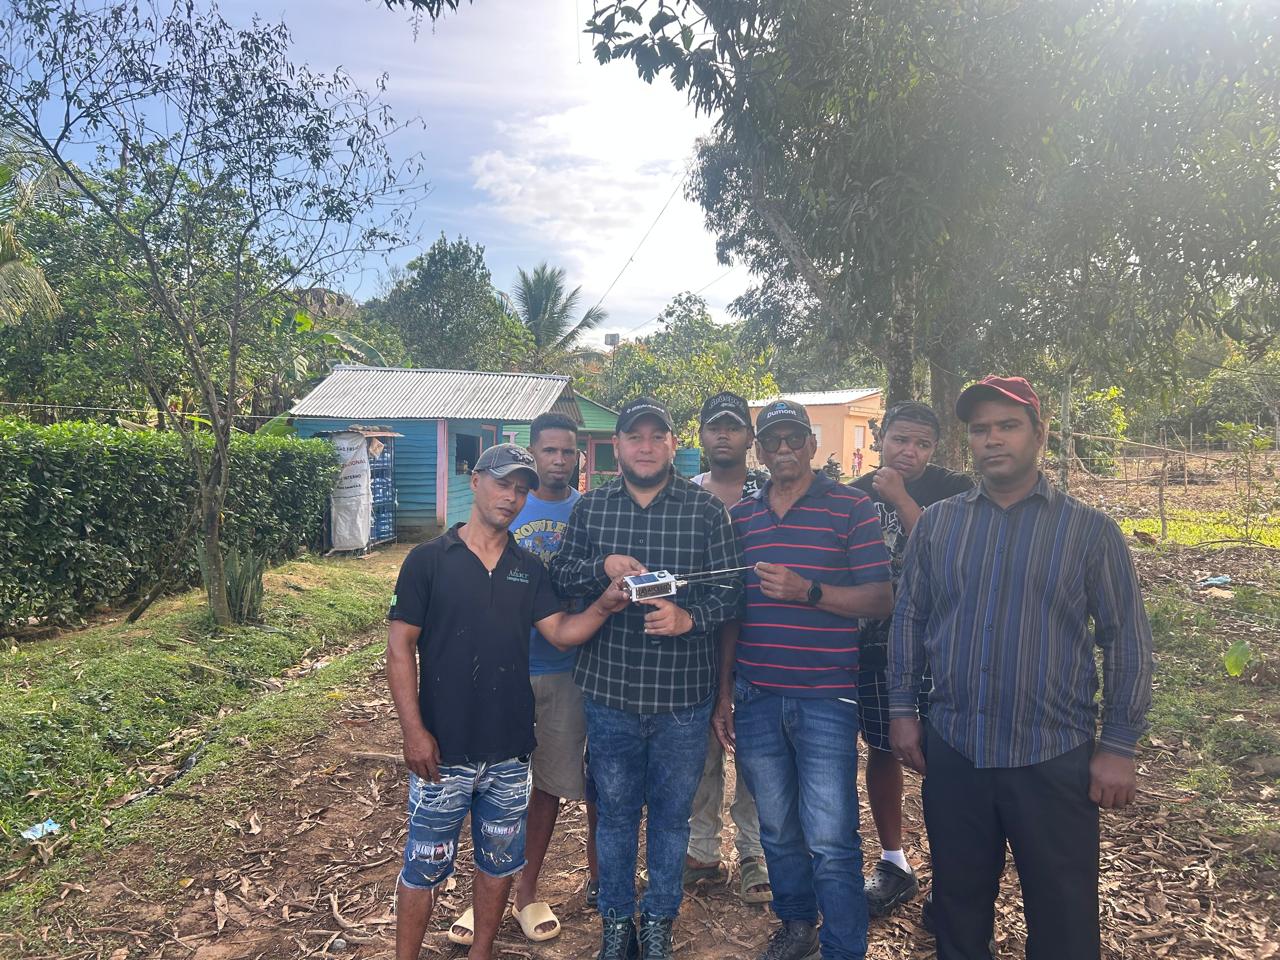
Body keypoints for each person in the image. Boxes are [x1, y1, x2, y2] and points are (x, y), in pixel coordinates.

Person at [889, 376, 1154, 960]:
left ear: (1040, 433)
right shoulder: (940, 525)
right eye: (980, 429)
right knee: (958, 906)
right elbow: (909, 620)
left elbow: (1126, 638)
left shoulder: (1089, 532)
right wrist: (904, 711)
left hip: (1052, 753)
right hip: (957, 747)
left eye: (1007, 426)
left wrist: (1118, 744)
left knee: (1063, 914)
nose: (992, 440)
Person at [386, 443, 630, 960]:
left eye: (522, 488)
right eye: (502, 483)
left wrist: (607, 604)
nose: (512, 497)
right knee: (424, 864)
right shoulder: (429, 560)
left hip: (509, 753)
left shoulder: (526, 567)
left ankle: (482, 952)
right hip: (443, 751)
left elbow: (561, 632)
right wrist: (413, 730)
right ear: (475, 482)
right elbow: (400, 647)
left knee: (498, 863)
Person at [550, 397, 745, 960]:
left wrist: (689, 618)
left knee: (669, 817)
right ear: (618, 446)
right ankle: (617, 918)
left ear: (671, 444)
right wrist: (602, 570)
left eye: (656, 435)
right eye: (634, 436)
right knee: (612, 814)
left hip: (682, 698)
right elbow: (562, 572)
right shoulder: (593, 509)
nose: (645, 445)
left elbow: (730, 592)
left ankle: (658, 916)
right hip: (609, 693)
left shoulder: (706, 511)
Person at [714, 399, 893, 960]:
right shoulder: (742, 519)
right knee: (777, 829)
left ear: (813, 446)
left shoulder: (852, 508)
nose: (785, 449)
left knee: (831, 837)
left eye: (795, 439)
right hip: (757, 694)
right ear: (759, 451)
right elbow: (734, 613)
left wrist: (808, 591)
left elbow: (882, 597)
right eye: (774, 441)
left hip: (826, 698)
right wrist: (724, 692)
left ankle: (844, 945)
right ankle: (797, 927)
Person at [445, 414, 590, 946]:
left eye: (567, 452)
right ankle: (483, 893)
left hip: (560, 669)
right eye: (548, 450)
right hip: (499, 670)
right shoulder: (497, 511)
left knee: (548, 785)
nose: (558, 460)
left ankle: (525, 890)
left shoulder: (587, 510)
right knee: (483, 786)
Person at [848, 402, 973, 916]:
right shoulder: (851, 497)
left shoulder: (955, 489)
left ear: (935, 449)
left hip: (943, 648)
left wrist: (900, 499)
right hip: (876, 646)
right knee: (883, 748)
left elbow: (947, 555)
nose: (910, 452)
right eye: (900, 440)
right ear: (880, 439)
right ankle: (895, 862)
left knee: (948, 760)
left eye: (922, 444)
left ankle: (956, 878)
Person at [685, 392, 769, 904]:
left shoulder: (769, 493)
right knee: (702, 751)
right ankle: (701, 851)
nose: (723, 435)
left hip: (763, 642)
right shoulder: (685, 495)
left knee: (756, 753)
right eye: (714, 426)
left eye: (733, 427)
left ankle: (756, 852)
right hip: (698, 641)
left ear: (748, 439)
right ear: (701, 436)